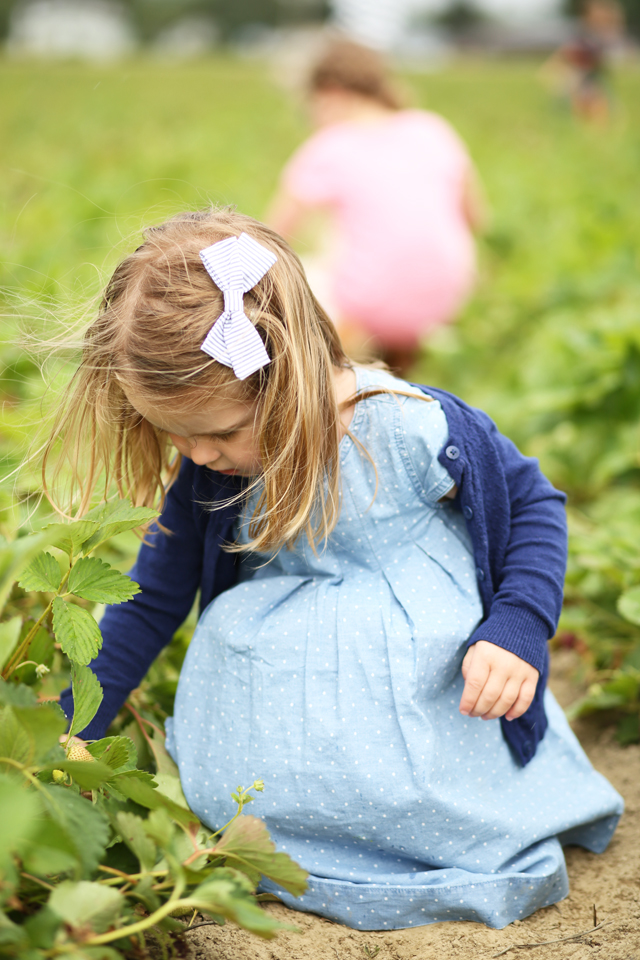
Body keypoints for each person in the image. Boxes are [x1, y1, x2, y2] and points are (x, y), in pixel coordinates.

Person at [50, 208, 622, 931]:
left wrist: (517, 628)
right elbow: (152, 597)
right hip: (291, 674)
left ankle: (419, 827)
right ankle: (285, 833)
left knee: (423, 782)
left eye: (221, 431)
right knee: (252, 771)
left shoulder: (406, 426)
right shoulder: (209, 471)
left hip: (421, 673)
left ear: (284, 376)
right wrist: (76, 723)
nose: (197, 455)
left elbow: (534, 505)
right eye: (176, 435)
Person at [267, 39, 485, 375]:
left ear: (332, 92)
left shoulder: (329, 145)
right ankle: (406, 355)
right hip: (446, 305)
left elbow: (270, 239)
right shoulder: (432, 128)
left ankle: (342, 362)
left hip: (370, 310)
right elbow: (477, 218)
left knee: (310, 262)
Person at [543, 0, 625, 123]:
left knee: (610, 112)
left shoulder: (603, 37)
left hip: (594, 81)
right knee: (591, 107)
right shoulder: (584, 38)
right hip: (580, 81)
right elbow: (560, 59)